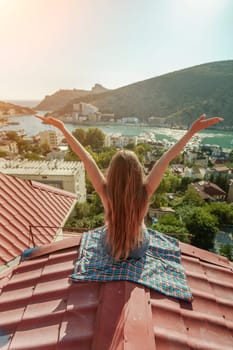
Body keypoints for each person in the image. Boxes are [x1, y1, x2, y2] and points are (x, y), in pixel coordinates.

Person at [36, 114, 223, 261]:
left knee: (103, 232)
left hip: (111, 247)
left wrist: (62, 128)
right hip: (138, 247)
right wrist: (190, 132)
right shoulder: (145, 190)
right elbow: (167, 158)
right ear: (137, 171)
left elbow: (86, 157)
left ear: (112, 172)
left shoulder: (104, 190)